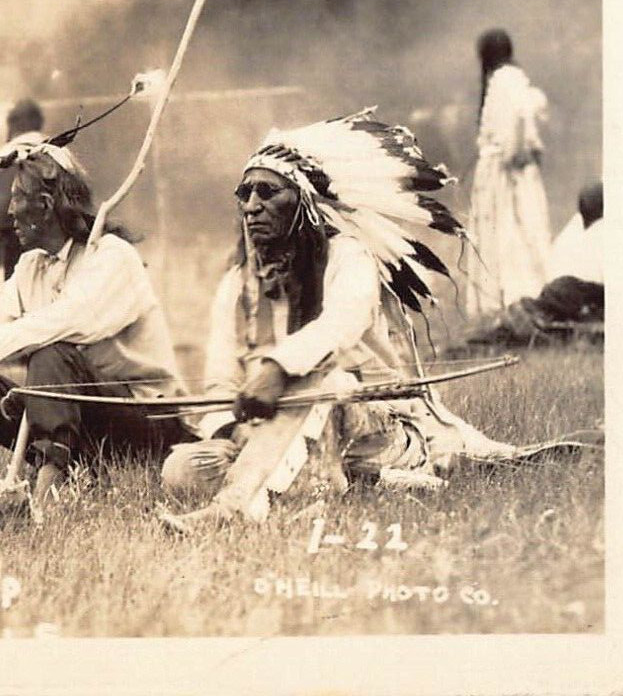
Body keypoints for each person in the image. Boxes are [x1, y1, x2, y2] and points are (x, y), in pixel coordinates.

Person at [159, 112, 523, 531]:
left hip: (369, 425)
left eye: (267, 191)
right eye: (244, 193)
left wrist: (276, 370)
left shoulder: (348, 257)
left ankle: (235, 507)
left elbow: (341, 325)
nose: (251, 205)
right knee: (182, 469)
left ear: (304, 202)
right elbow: (219, 383)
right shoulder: (237, 286)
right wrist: (232, 428)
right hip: (267, 436)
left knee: (322, 380)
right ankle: (341, 482)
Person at [0, 142, 187, 505]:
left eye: (17, 198)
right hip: (78, 423)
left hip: (146, 426)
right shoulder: (31, 264)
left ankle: (49, 491)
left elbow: (71, 320)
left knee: (53, 352)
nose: (9, 211)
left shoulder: (113, 256)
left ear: (46, 206)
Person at [465, 29, 551, 317]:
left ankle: (508, 297)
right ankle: (523, 294)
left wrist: (513, 156)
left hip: (503, 171)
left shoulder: (502, 81)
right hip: (514, 169)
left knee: (505, 231)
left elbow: (518, 120)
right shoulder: (516, 79)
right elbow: (530, 114)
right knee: (522, 228)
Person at [466, 180, 603, 345]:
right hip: (572, 293)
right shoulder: (594, 232)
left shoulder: (577, 229)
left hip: (563, 290)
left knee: (533, 313)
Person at [0, 99, 46, 287]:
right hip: (48, 239)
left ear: (14, 124)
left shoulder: (8, 153)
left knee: (14, 290)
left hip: (14, 238)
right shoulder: (52, 149)